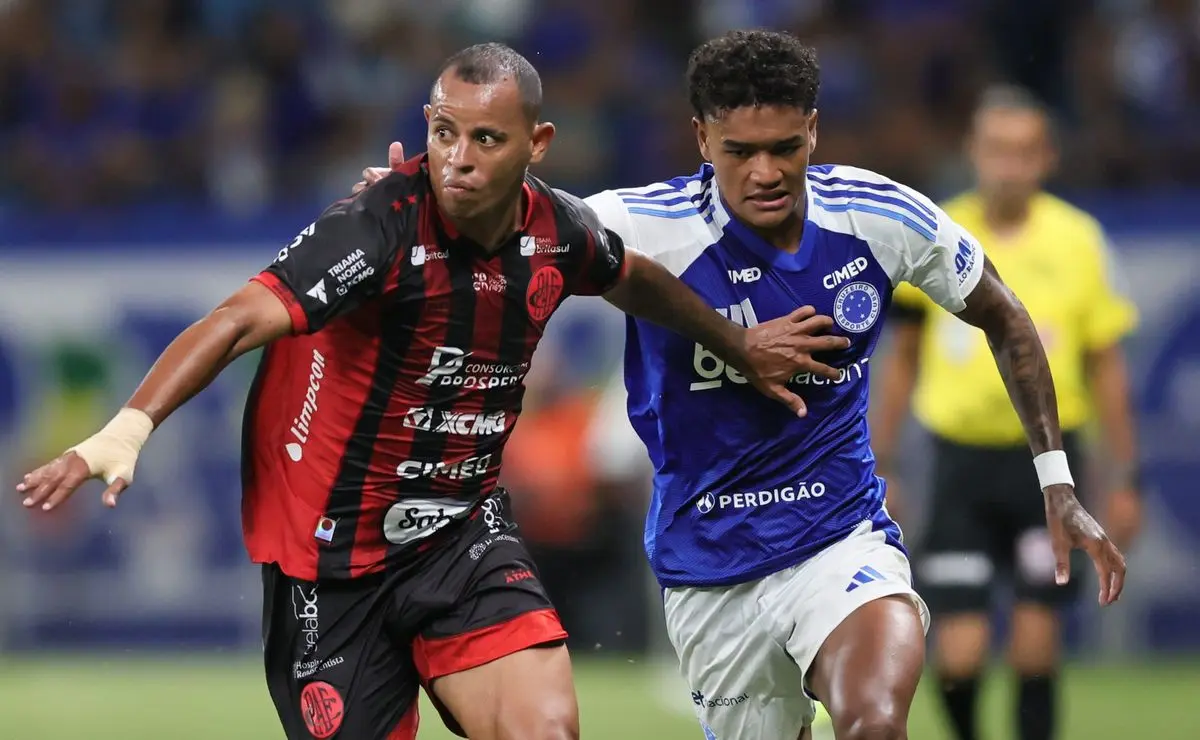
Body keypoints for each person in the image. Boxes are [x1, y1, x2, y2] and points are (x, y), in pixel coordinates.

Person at [14, 43, 853, 740]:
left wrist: (739, 343)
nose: (459, 157)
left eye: (487, 138)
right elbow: (237, 321)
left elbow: (629, 276)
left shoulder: (555, 230)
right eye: (445, 132)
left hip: (459, 534)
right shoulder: (375, 226)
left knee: (546, 730)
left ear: (537, 143)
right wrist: (129, 426)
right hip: (329, 562)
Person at [356, 31, 1129, 740]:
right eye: (740, 151)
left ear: (813, 131)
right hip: (710, 567)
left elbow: (1005, 315)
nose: (766, 172)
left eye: (785, 147)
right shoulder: (641, 225)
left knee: (874, 720)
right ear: (702, 139)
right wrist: (412, 213)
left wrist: (1057, 479)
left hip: (840, 542)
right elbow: (493, 235)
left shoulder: (877, 216)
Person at [872, 85, 1143, 740]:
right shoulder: (938, 233)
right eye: (997, 149)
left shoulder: (1079, 241)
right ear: (973, 152)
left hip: (1045, 467)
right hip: (958, 463)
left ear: (1047, 157)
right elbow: (902, 357)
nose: (1009, 166)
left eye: (1024, 151)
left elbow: (1105, 365)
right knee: (959, 654)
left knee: (1035, 643)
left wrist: (1125, 478)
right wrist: (882, 464)